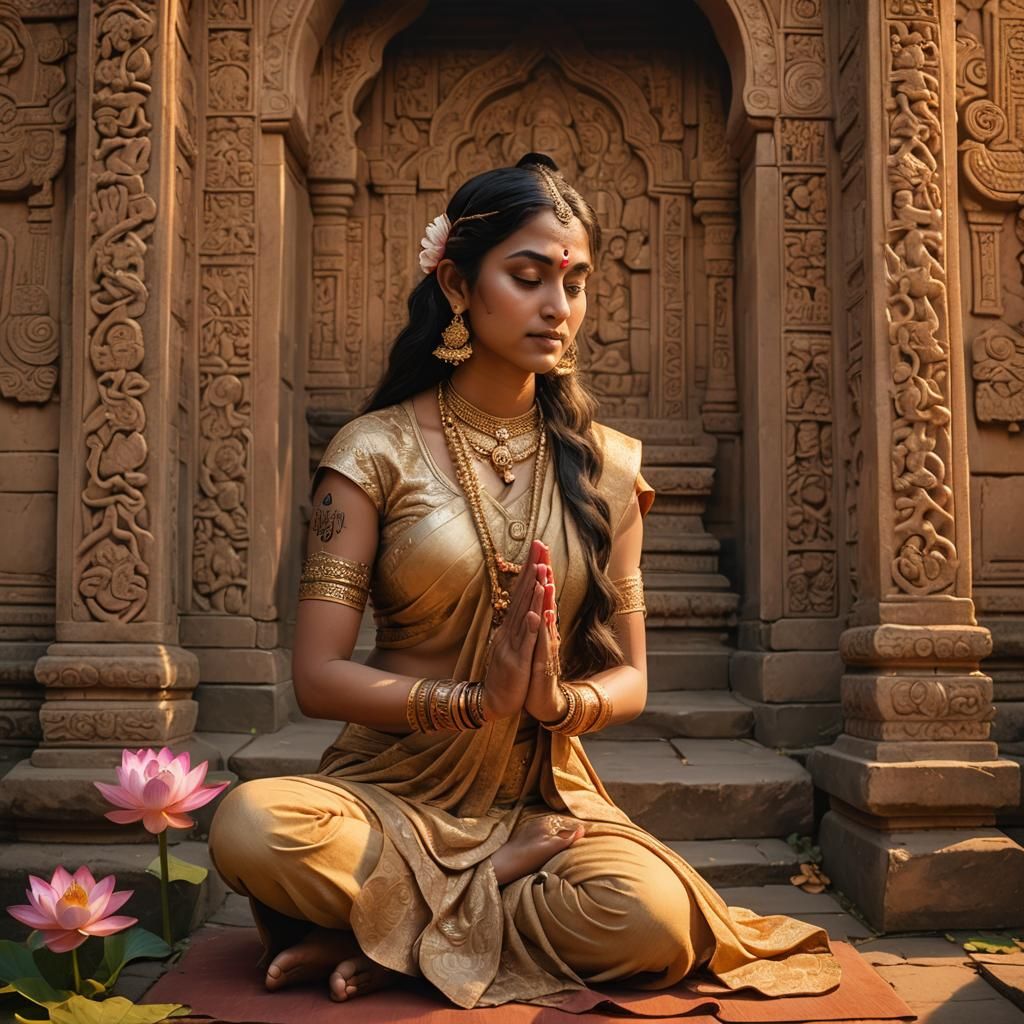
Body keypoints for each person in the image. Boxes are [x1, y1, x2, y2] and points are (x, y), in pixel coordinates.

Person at [207, 153, 841, 1008]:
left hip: (543, 804)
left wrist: (554, 704)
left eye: (574, 283)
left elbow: (631, 679)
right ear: (459, 286)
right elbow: (318, 678)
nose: (558, 307)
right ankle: (471, 897)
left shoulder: (609, 469)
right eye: (530, 276)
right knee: (251, 825)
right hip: (393, 794)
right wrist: (475, 701)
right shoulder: (371, 454)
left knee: (652, 921)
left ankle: (393, 933)